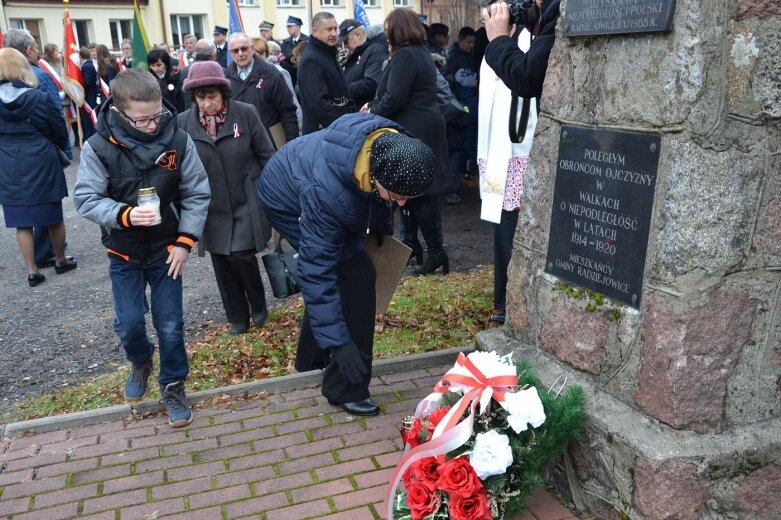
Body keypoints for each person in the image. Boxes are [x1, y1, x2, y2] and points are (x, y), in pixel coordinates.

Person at [258, 112, 435, 417]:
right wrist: (341, 345)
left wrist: (380, 223)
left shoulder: (391, 142)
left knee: (351, 272)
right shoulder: (327, 197)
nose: (402, 203)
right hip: (285, 197)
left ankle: (310, 358)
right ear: (377, 177)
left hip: (309, 175)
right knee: (356, 276)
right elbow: (315, 271)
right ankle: (345, 387)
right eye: (398, 196)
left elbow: (374, 198)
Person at [73, 69, 210, 427]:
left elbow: (197, 192)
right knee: (130, 323)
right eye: (143, 119)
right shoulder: (97, 147)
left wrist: (185, 241)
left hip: (168, 251)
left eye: (157, 115)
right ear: (119, 113)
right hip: (124, 252)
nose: (153, 125)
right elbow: (86, 198)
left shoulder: (178, 140)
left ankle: (174, 383)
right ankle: (141, 360)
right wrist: (124, 215)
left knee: (170, 325)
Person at [178, 62, 275, 334]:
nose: (206, 103)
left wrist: (276, 192)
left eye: (212, 96)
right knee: (221, 260)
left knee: (241, 256)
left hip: (246, 196)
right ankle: (237, 316)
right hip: (211, 204)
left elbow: (267, 154)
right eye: (200, 97)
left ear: (223, 93)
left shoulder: (245, 113)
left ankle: (257, 303)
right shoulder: (184, 122)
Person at [478, 0, 560, 323]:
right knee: (503, 224)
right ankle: (504, 301)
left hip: (524, 150)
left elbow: (526, 77)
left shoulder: (533, 37)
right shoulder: (501, 43)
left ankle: (518, 302)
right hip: (500, 153)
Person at [368, 9, 450, 275]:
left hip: (416, 128)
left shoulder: (405, 55)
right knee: (413, 192)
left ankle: (436, 252)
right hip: (423, 126)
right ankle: (414, 246)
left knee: (420, 194)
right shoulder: (420, 52)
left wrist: (372, 111)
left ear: (397, 29)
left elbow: (394, 98)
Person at [0, 48, 77, 287]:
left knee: (20, 218)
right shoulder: (38, 97)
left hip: (7, 159)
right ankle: (60, 259)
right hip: (40, 156)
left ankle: (32, 270)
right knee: (53, 213)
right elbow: (59, 130)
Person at [225, 33, 299, 146]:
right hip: (240, 144)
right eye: (235, 50)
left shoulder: (271, 74)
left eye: (244, 49)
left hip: (270, 142)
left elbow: (287, 111)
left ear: (252, 49)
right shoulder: (226, 77)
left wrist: (291, 145)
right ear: (231, 53)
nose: (240, 54)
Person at [297, 12, 354, 135]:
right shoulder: (311, 60)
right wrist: (343, 128)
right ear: (315, 31)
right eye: (329, 29)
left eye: (335, 29)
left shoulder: (328, 53)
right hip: (324, 134)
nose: (334, 34)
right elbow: (320, 106)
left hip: (336, 130)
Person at [444, 26, 479, 204]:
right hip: (462, 108)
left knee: (468, 143)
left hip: (470, 105)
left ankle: (469, 174)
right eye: (469, 42)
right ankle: (464, 177)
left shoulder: (469, 57)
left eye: (474, 42)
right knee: (462, 146)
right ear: (460, 40)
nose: (471, 46)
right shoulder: (454, 59)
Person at [255, 38, 303, 134]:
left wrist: (299, 131)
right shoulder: (254, 74)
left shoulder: (278, 72)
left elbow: (292, 104)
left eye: (258, 54)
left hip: (277, 130)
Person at [340, 21, 388, 111]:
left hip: (365, 110)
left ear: (357, 35)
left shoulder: (376, 50)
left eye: (346, 41)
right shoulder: (361, 51)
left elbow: (371, 82)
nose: (345, 46)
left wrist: (344, 90)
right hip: (358, 109)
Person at [179, 39, 217, 111]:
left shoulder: (184, 72)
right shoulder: (220, 71)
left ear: (195, 53)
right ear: (213, 55)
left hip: (190, 116)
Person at [147, 49, 185, 114]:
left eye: (158, 65)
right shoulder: (148, 80)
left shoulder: (176, 77)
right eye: (152, 66)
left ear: (166, 64)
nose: (155, 69)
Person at [280, 16, 309, 85]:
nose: (287, 29)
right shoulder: (285, 43)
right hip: (289, 79)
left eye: (290, 27)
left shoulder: (307, 42)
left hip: (304, 78)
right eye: (287, 27)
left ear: (298, 27)